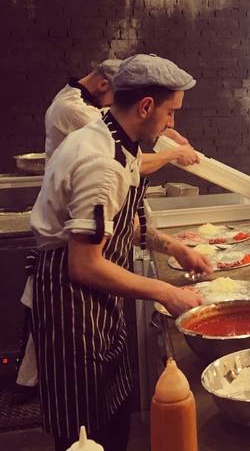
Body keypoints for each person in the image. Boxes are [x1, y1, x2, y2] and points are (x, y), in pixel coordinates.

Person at [29, 54, 213, 451]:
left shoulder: (118, 143)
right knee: (86, 435)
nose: (171, 124)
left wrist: (173, 247)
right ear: (146, 106)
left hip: (98, 303)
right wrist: (167, 292)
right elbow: (84, 265)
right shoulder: (101, 162)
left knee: (113, 419)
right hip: (72, 306)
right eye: (170, 112)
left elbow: (118, 223)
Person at [44, 58, 198, 170]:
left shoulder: (83, 100)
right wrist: (174, 154)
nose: (117, 105)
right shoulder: (76, 109)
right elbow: (131, 163)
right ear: (103, 85)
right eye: (118, 97)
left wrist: (166, 133)